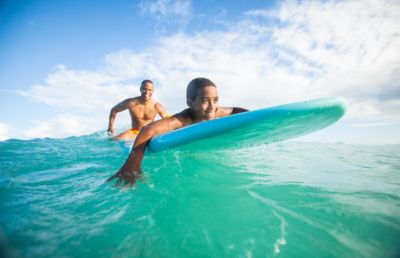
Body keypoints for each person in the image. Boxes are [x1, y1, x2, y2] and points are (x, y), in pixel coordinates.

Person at [107, 77, 248, 187]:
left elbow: (235, 110)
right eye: (205, 100)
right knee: (115, 141)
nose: (212, 106)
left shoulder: (217, 111)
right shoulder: (182, 119)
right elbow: (147, 130)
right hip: (136, 134)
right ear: (190, 103)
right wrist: (132, 165)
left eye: (215, 100)